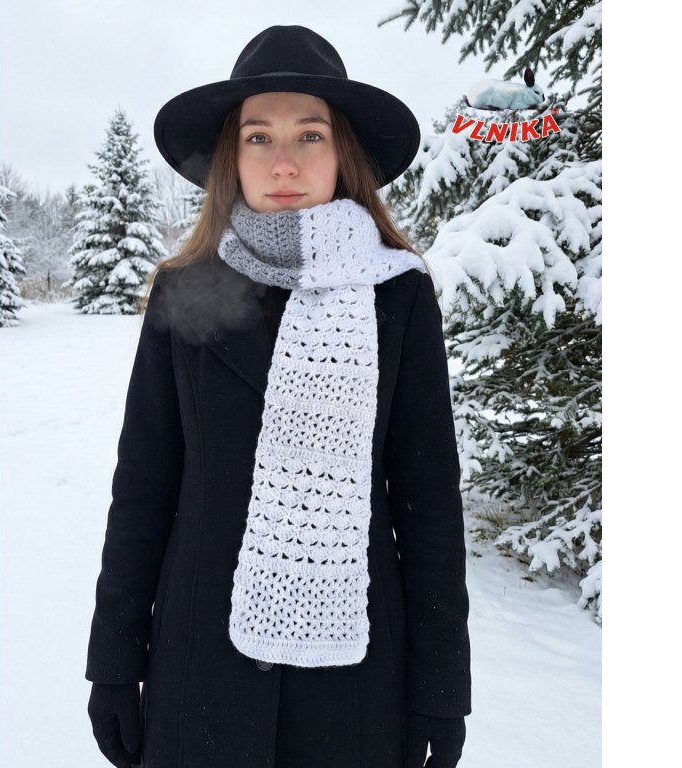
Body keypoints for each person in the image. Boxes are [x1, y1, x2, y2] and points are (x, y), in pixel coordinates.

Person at [85, 25, 471, 768]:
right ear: (230, 156)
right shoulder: (183, 291)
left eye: (310, 135)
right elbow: (142, 488)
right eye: (258, 137)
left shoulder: (399, 296)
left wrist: (441, 686)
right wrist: (115, 660)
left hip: (357, 677)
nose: (284, 161)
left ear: (343, 152)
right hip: (200, 662)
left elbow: (428, 501)